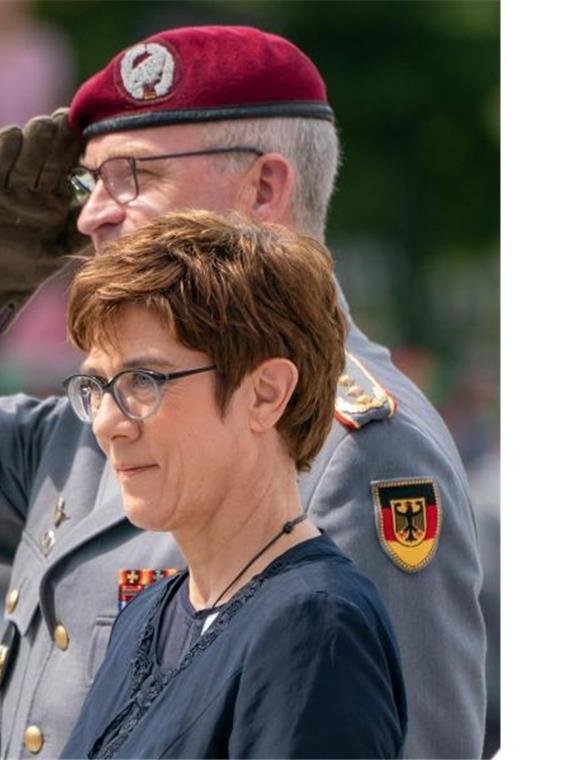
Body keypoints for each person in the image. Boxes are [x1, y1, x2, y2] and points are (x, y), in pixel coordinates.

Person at [0, 25, 484, 759]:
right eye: (90, 180)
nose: (89, 215)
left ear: (264, 188)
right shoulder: (108, 408)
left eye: (131, 177)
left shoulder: (357, 444)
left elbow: (408, 738)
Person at [58, 209, 405, 758]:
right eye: (97, 386)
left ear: (265, 394)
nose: (106, 421)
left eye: (142, 381)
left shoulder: (313, 627)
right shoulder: (150, 613)